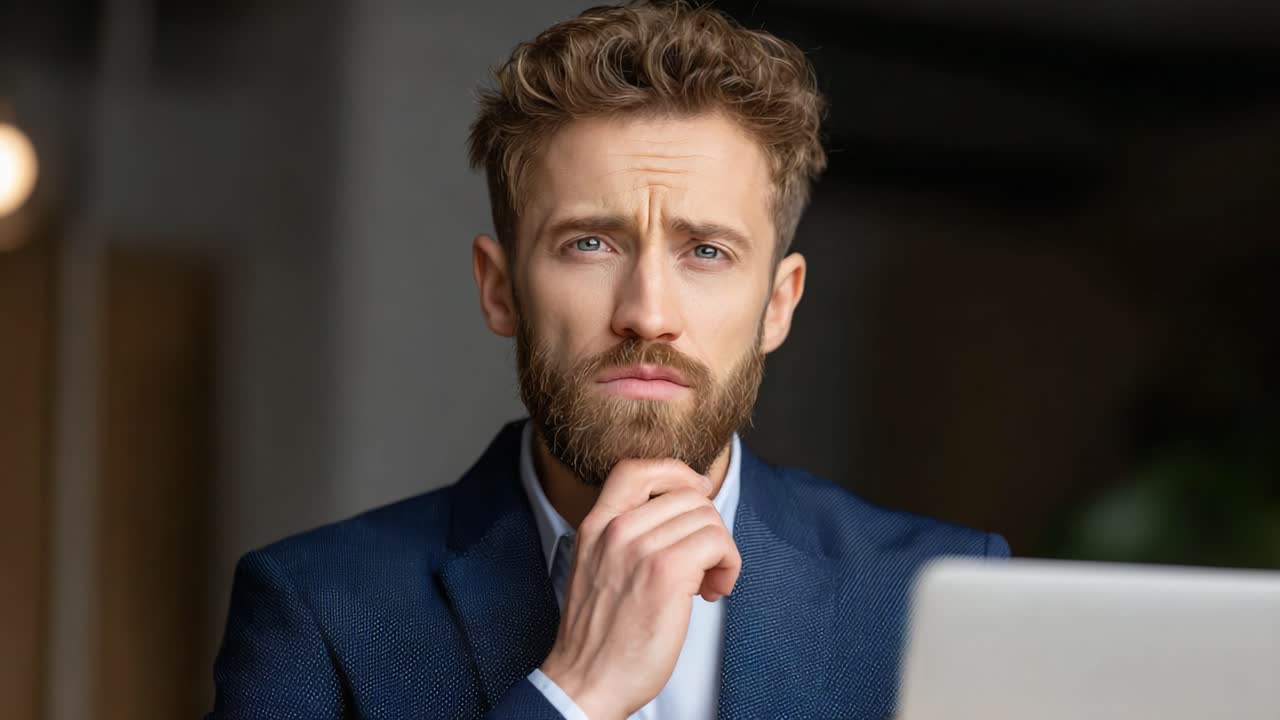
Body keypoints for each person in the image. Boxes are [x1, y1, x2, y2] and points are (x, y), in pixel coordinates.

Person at [207, 2, 1009, 718]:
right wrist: (572, 695)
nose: (647, 315)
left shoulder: (940, 594)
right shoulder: (318, 609)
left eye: (705, 251)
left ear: (778, 304)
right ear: (500, 289)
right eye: (590, 243)